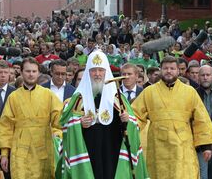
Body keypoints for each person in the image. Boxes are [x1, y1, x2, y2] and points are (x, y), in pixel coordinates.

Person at [58, 50, 148, 179]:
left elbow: (133, 124)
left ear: (106, 72)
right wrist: (79, 123)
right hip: (87, 149)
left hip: (112, 150)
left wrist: (127, 120)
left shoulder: (117, 96)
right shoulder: (78, 97)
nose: (97, 74)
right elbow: (64, 124)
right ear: (88, 72)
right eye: (93, 70)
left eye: (101, 70)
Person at [132, 55, 212, 178]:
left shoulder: (189, 91)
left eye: (172, 68)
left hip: (183, 145)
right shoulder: (149, 92)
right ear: (160, 70)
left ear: (178, 70)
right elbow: (136, 116)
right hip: (158, 147)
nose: (169, 71)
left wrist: (206, 147)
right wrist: (128, 126)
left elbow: (201, 120)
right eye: (165, 68)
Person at [0, 57, 62, 178]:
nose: (31, 74)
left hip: (44, 146)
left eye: (34, 71)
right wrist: (4, 153)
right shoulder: (13, 97)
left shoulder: (48, 95)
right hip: (20, 149)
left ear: (38, 73)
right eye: (27, 71)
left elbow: (59, 119)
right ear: (21, 73)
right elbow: (5, 126)